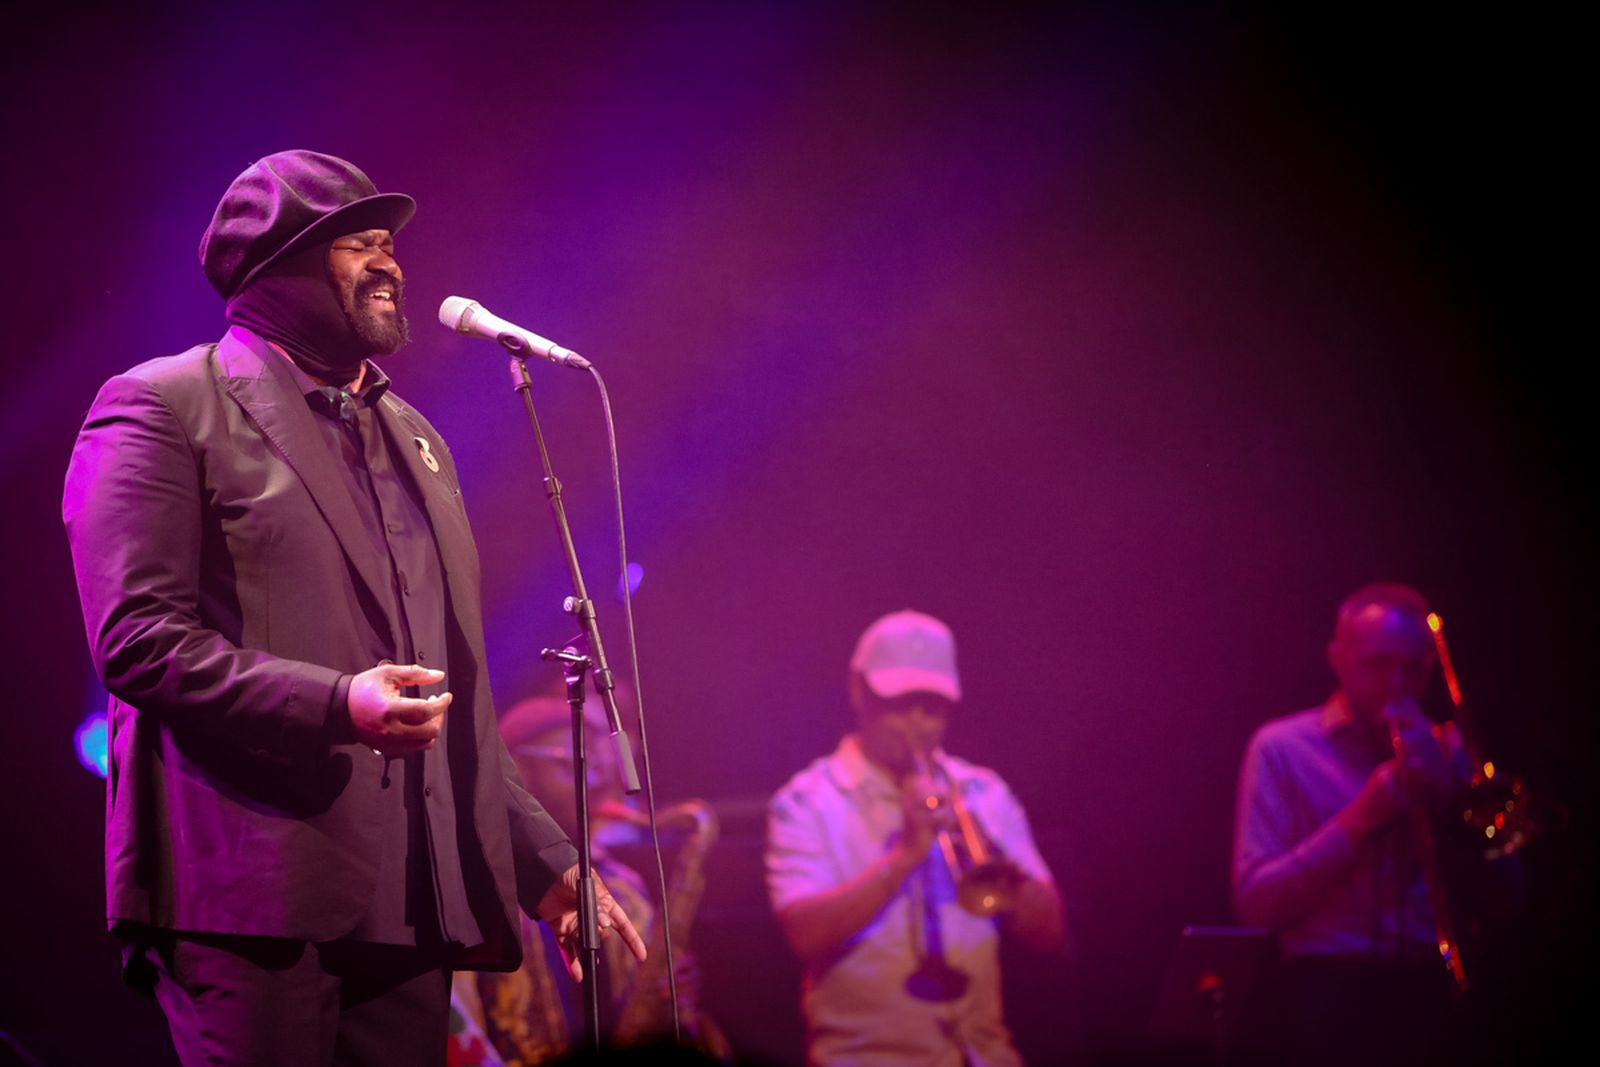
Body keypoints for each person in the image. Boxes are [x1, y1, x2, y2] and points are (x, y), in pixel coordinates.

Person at [61, 149, 644, 1066]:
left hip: (409, 900)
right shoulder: (164, 405)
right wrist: (337, 704)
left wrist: (549, 864)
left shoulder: (417, 440)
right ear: (277, 271)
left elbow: (449, 700)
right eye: (357, 244)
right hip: (252, 900)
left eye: (391, 244)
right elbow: (136, 641)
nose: (392, 263)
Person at [766, 609, 1065, 1067]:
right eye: (900, 703)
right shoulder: (806, 803)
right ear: (858, 692)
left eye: (934, 705)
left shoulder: (984, 792)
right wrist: (906, 855)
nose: (919, 721)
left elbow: (1050, 934)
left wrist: (999, 865)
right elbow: (804, 936)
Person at [1231, 582, 1486, 1066]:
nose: (1396, 685)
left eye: (1412, 670)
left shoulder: (1452, 752)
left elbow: (1507, 898)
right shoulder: (1282, 748)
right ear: (1339, 658)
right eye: (1378, 663)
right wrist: (1363, 817)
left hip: (1433, 994)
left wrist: (1449, 801)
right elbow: (1256, 905)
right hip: (1327, 997)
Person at [451, 683, 730, 1065]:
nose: (596, 783)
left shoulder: (623, 888)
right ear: (516, 772)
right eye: (574, 765)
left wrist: (670, 1002)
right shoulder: (470, 887)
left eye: (600, 767)